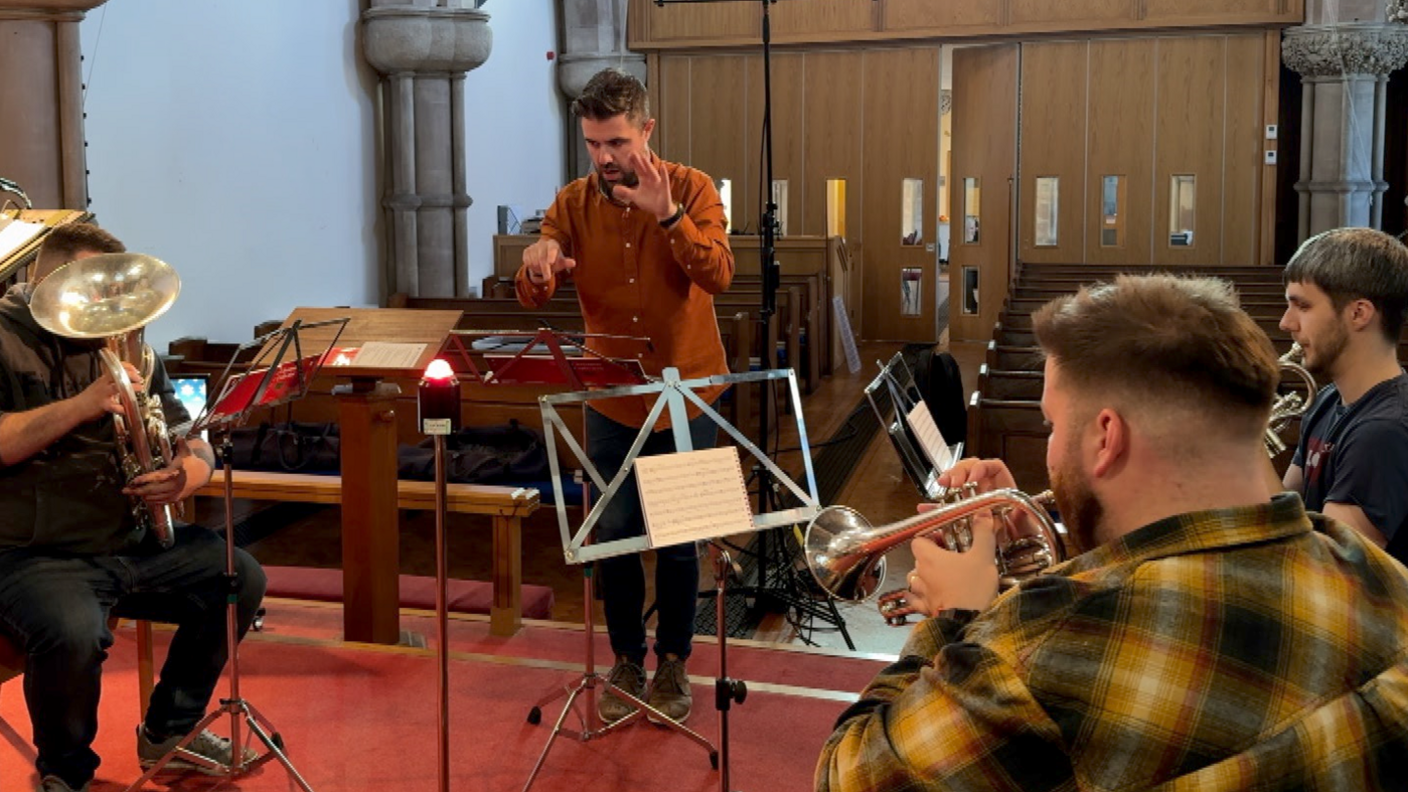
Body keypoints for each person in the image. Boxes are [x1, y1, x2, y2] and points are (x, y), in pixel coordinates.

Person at [816, 275, 1408, 791]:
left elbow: (847, 773)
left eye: (1052, 425)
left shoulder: (1037, 653)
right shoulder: (1380, 577)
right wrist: (1062, 554)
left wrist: (957, 621)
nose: (1048, 452)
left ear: (1106, 437)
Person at [0, 223, 267, 792]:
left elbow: (190, 436)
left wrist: (185, 476)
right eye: (92, 289)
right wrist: (84, 403)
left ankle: (170, 731)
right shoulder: (2, 336)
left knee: (237, 577)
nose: (105, 306)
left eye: (111, 292)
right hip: (36, 551)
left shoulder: (130, 345)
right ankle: (65, 771)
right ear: (46, 278)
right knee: (73, 632)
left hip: (133, 539)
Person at [514, 68, 733, 725]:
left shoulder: (692, 187)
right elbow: (535, 292)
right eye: (593, 144)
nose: (605, 158)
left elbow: (718, 274)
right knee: (615, 533)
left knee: (681, 539)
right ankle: (627, 659)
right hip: (610, 395)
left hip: (691, 392)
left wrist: (667, 215)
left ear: (646, 130)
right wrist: (536, 263)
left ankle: (673, 664)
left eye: (616, 142)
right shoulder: (573, 203)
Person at [1276, 227, 1408, 565]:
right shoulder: (1329, 399)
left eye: (1301, 306)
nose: (1286, 323)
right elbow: (1278, 508)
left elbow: (1332, 567)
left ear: (1359, 313)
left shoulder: (1384, 430)